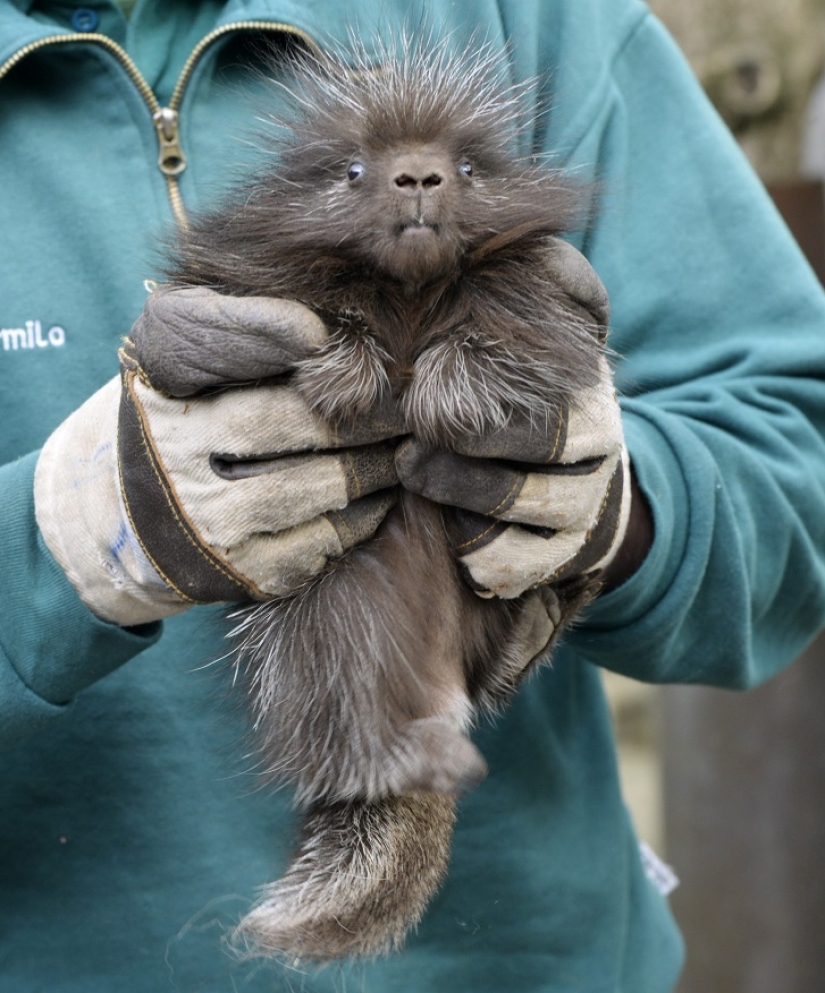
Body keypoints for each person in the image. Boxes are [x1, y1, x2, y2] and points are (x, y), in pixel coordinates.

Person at [3, 1, 825, 990]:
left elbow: (790, 447)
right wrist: (58, 543)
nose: (420, 187)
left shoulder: (527, 21)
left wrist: (619, 511)